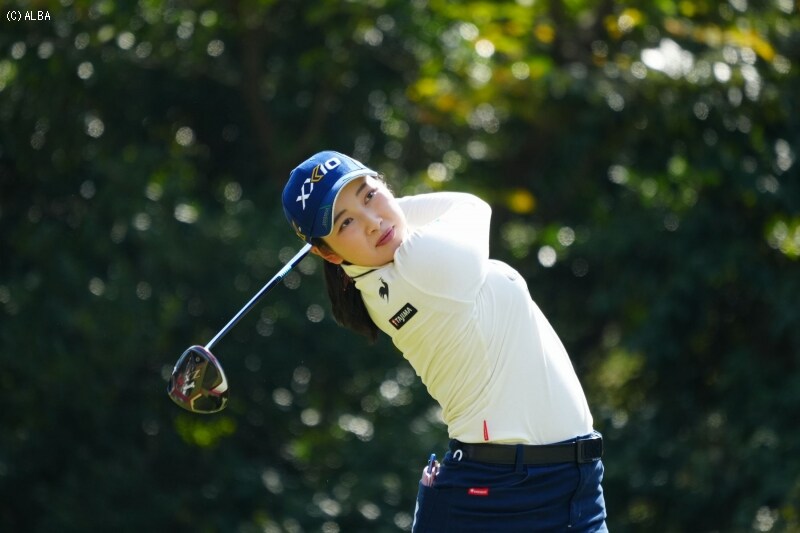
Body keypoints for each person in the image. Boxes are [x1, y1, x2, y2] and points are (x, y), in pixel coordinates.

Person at [282, 150, 608, 532]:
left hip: (569, 486)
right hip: (499, 498)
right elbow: (471, 205)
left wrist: (364, 221)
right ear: (327, 254)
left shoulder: (383, 276)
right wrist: (388, 206)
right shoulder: (419, 263)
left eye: (369, 195)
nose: (372, 223)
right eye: (346, 222)